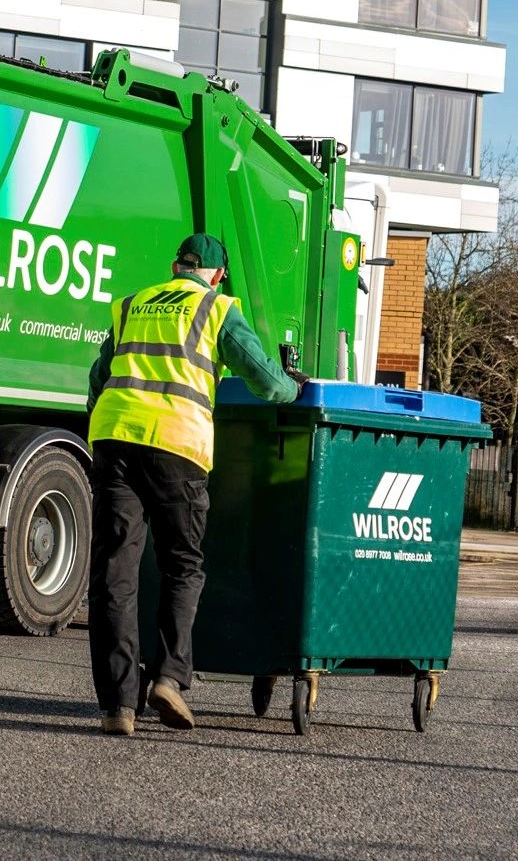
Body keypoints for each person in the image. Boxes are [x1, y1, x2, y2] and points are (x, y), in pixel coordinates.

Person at [85, 232, 303, 737]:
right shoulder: (217, 309)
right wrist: (293, 386)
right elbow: (267, 382)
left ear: (175, 266)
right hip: (176, 446)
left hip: (115, 441)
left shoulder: (132, 305)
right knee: (182, 565)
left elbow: (98, 381)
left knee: (116, 572)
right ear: (218, 274)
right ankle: (169, 677)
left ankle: (118, 704)